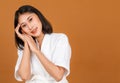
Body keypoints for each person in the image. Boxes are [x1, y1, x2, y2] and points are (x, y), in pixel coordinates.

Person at [14, 5, 71, 83]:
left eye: (30, 19)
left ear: (38, 16)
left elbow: (58, 75)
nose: (30, 27)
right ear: (22, 30)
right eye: (24, 25)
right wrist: (27, 43)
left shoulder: (60, 39)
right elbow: (24, 76)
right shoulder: (23, 48)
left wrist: (36, 51)